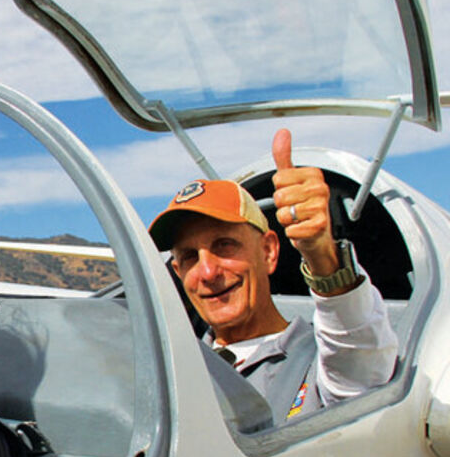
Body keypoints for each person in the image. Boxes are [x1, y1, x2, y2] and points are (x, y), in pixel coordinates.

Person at [148, 129, 398, 422]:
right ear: (178, 273)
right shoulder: (168, 374)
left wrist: (322, 256)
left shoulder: (321, 364)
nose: (207, 272)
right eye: (190, 257)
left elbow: (360, 365)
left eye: (225, 245)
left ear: (268, 251)